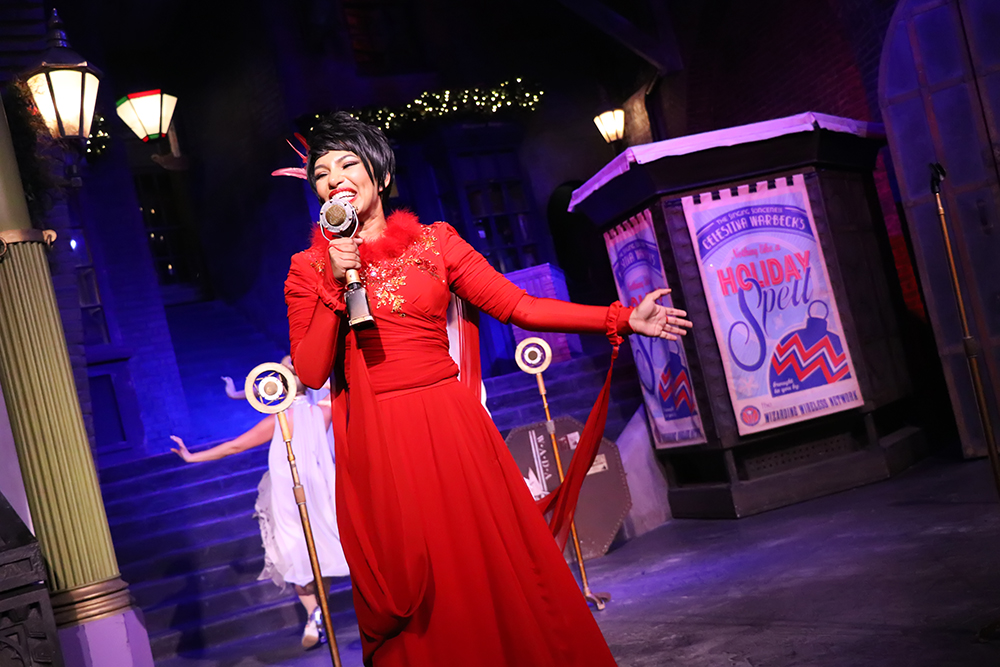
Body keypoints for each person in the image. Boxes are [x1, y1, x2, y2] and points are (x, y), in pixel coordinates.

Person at [284, 111, 693, 666]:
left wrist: (618, 317)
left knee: (482, 561)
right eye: (322, 173)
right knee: (415, 576)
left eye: (347, 164)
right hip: (380, 441)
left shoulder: (436, 243)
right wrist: (336, 284)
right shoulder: (308, 268)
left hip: (450, 425)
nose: (334, 179)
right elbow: (310, 371)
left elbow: (519, 306)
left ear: (381, 175)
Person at [170, 360, 349, 649]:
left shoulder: (279, 420)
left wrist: (192, 457)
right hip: (318, 492)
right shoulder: (324, 410)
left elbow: (234, 446)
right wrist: (242, 392)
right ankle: (318, 614)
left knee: (297, 553)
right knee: (319, 555)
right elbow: (333, 384)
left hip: (291, 495)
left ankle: (313, 613)